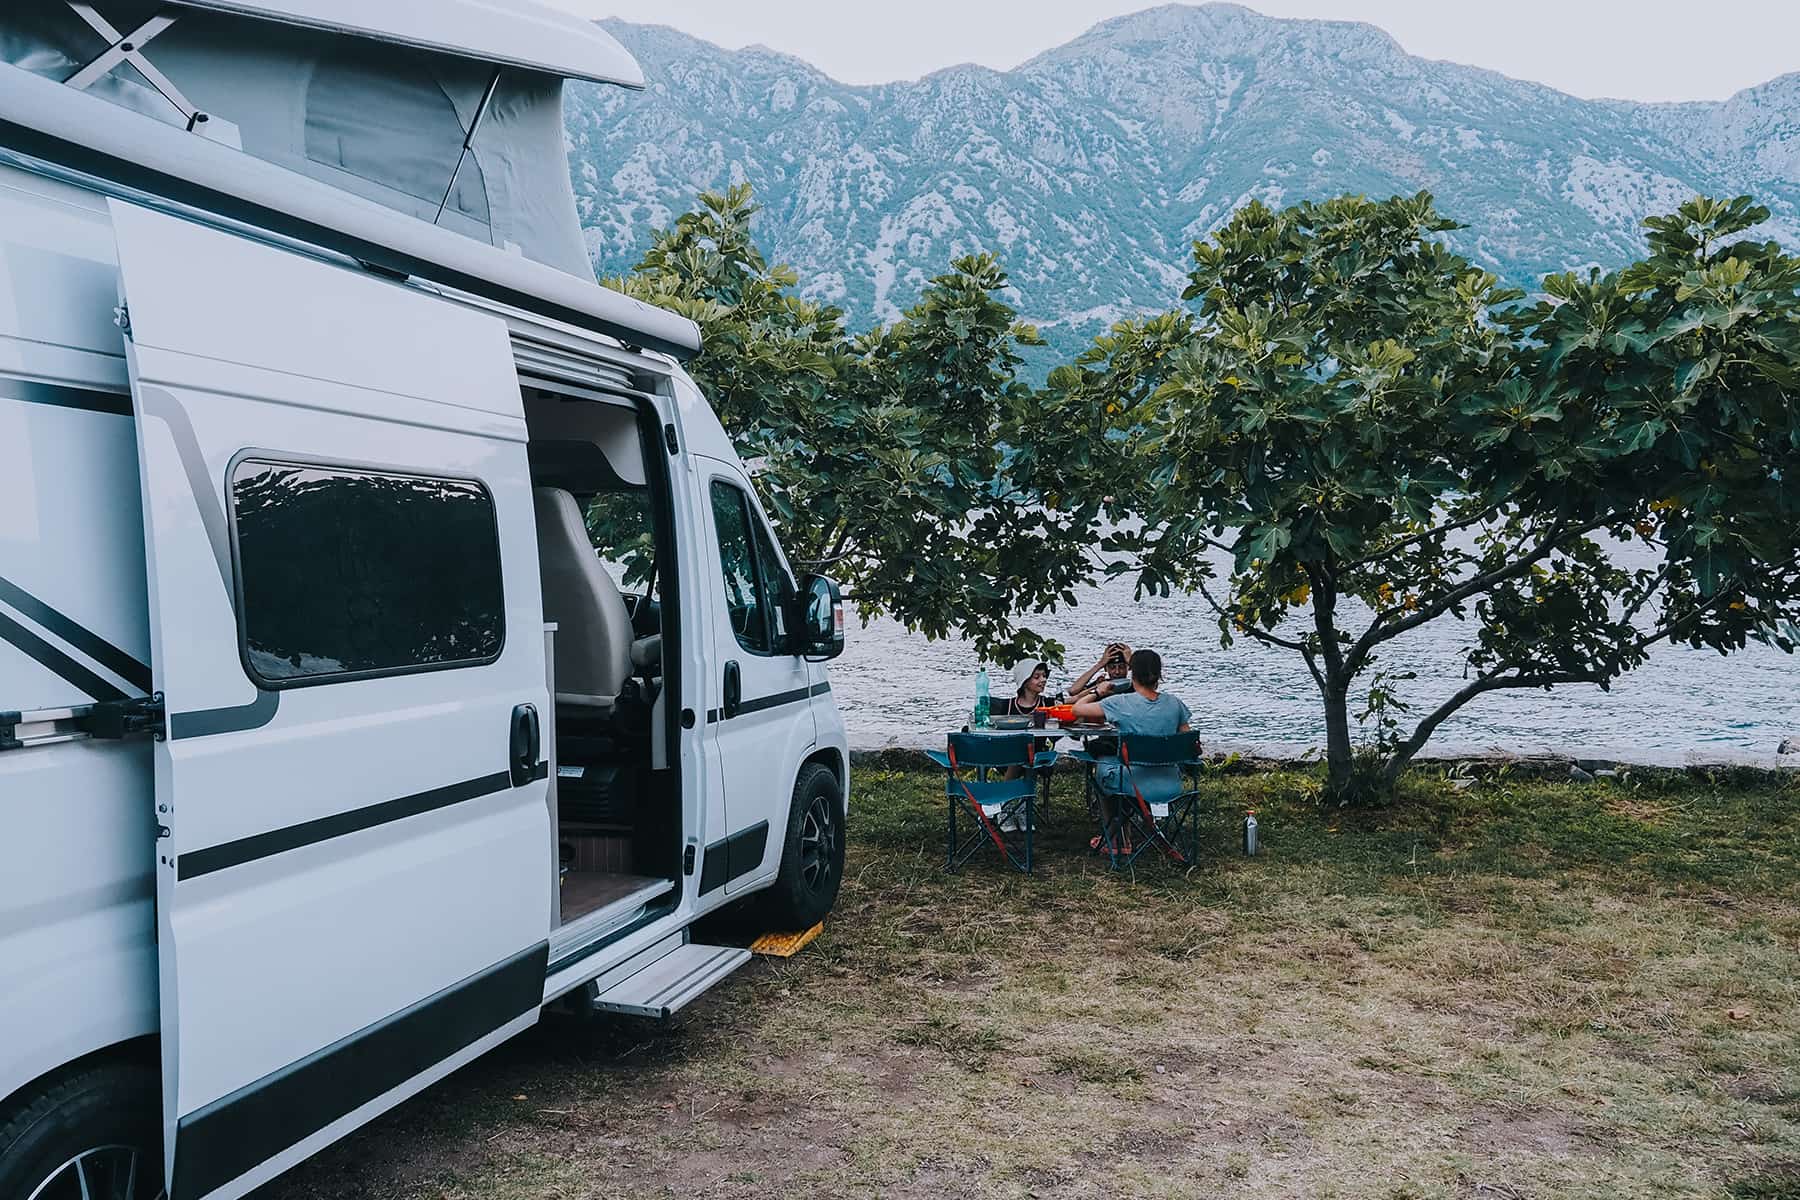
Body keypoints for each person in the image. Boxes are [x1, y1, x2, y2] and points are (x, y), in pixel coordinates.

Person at [1072, 648, 1192, 852]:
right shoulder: (1175, 704)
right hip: (1170, 783)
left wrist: (1097, 691)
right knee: (1117, 765)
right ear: (1159, 675)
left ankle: (1114, 839)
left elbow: (1077, 709)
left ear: (1132, 674)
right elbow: (1187, 744)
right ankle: (1124, 835)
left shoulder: (1120, 703)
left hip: (1130, 782)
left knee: (1104, 766)